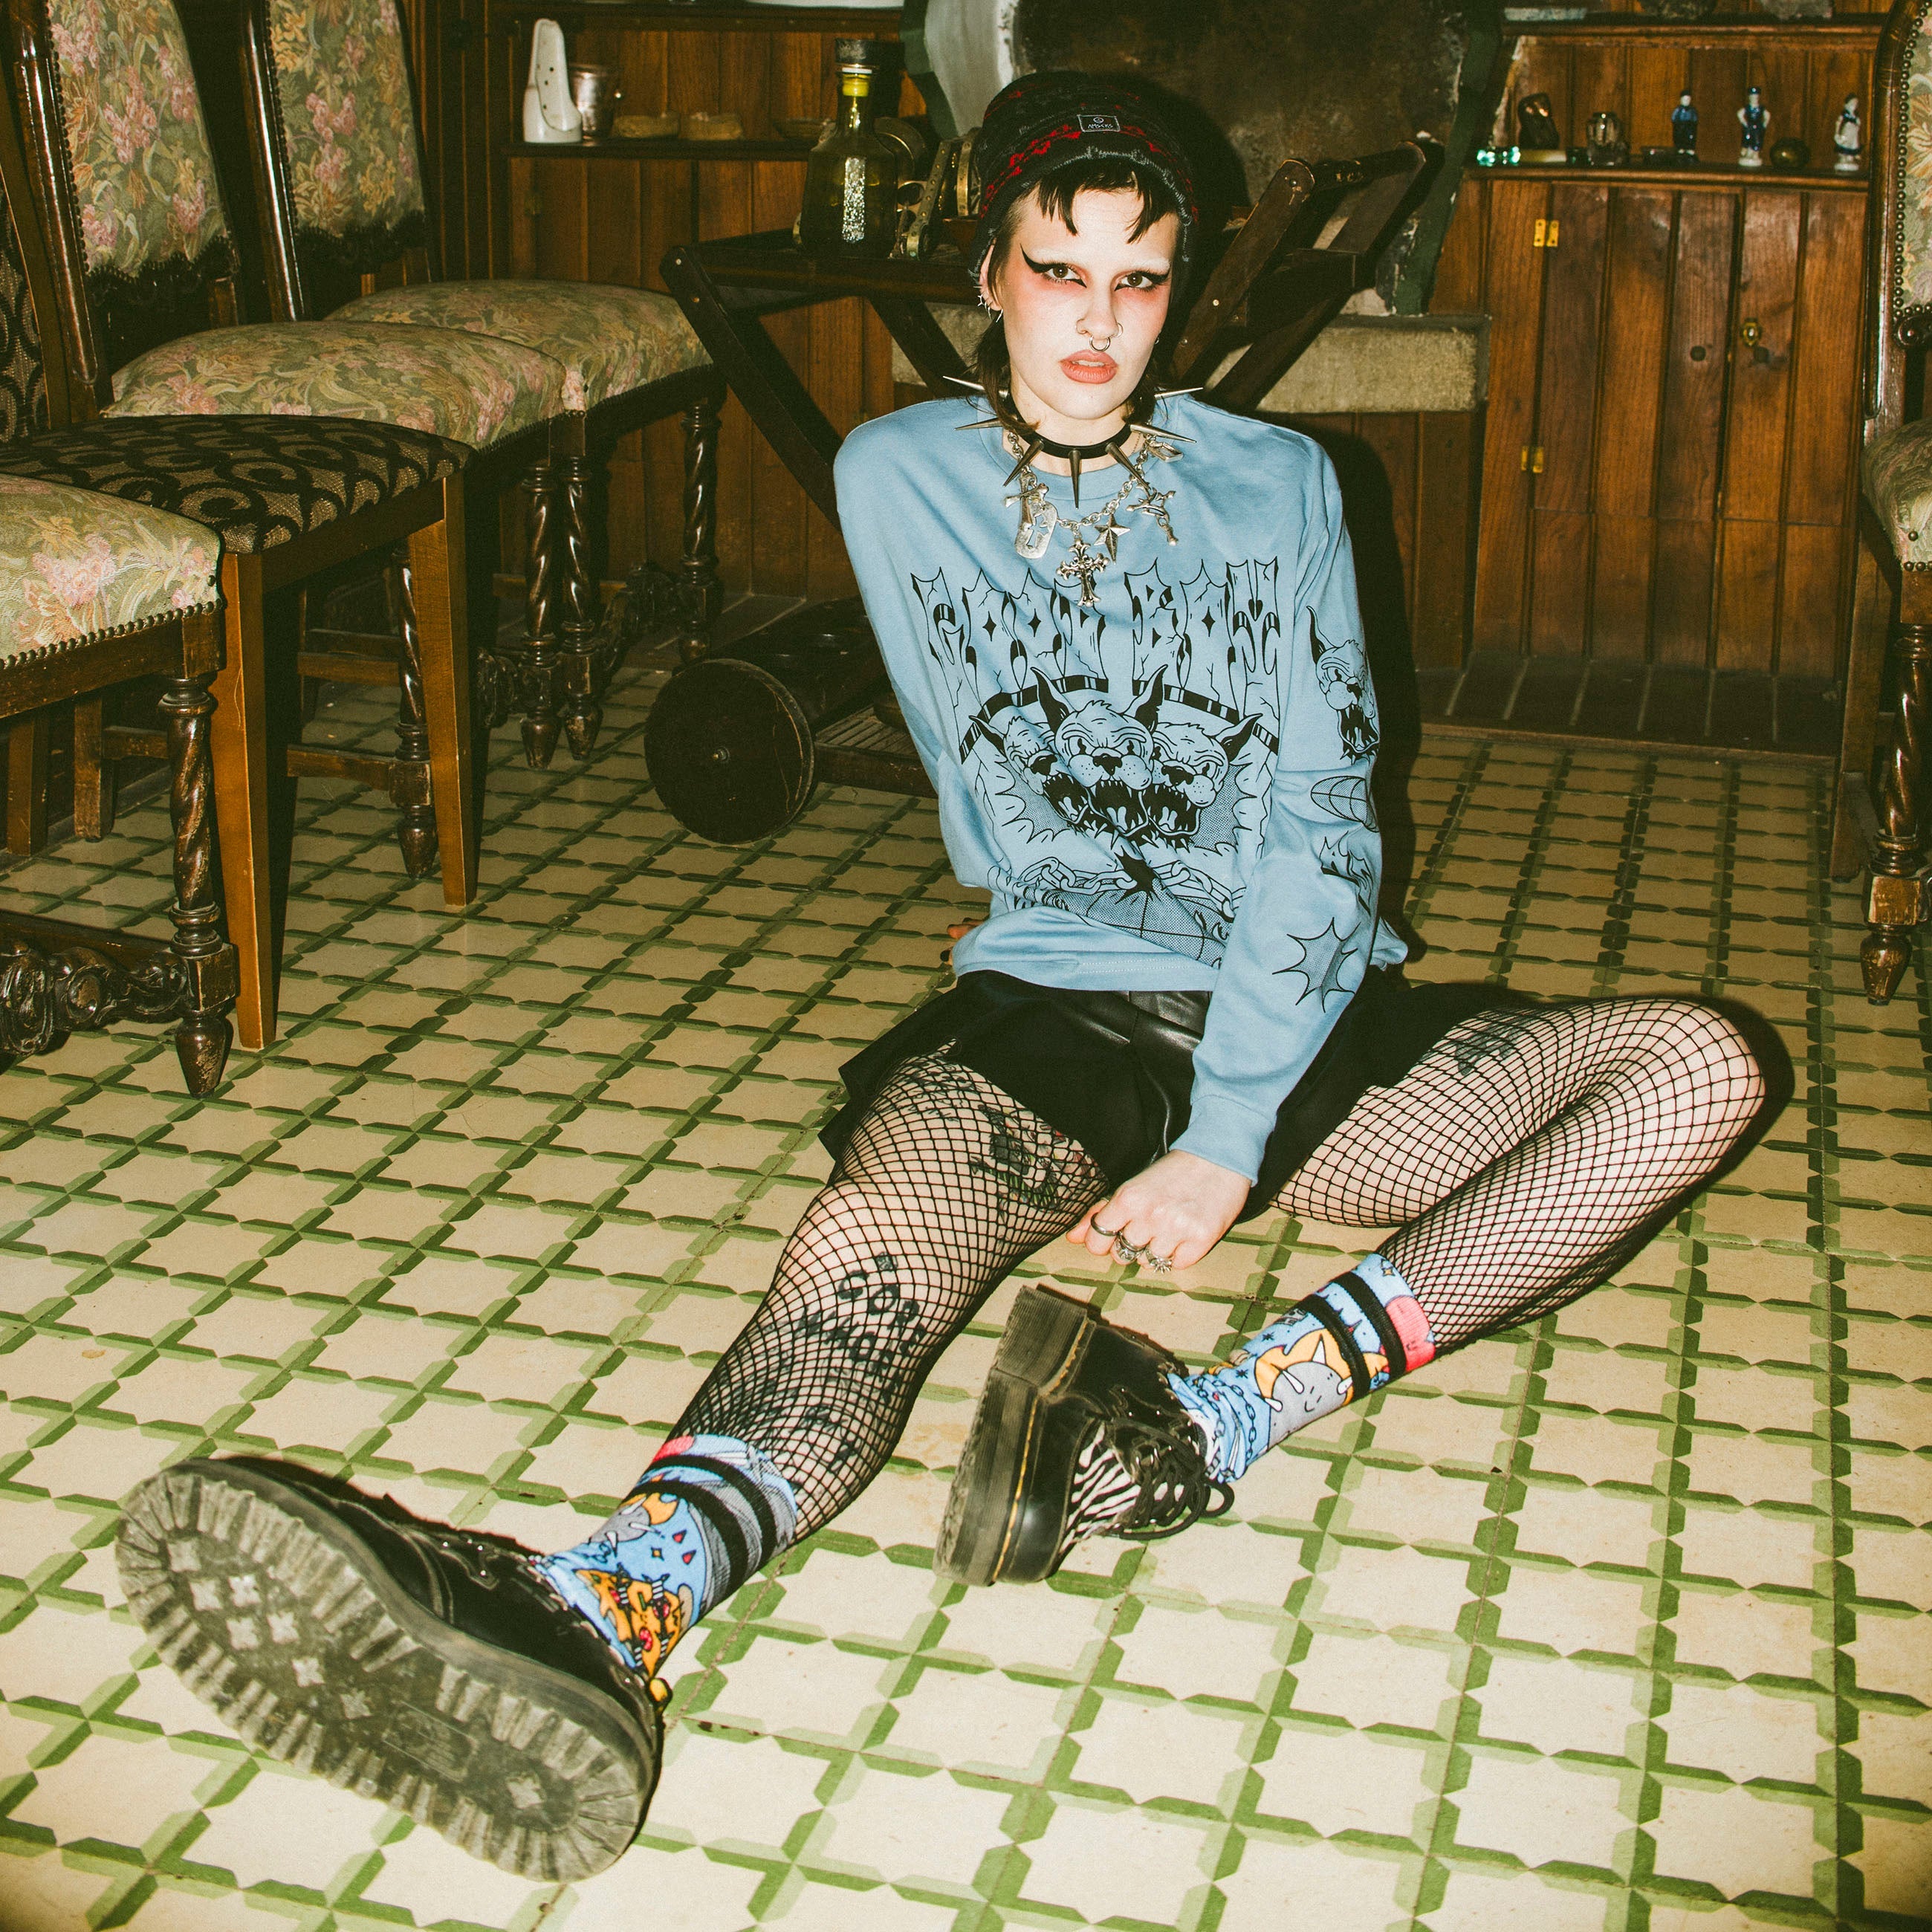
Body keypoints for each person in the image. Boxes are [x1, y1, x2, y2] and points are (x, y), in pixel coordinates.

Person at [115, 72, 1769, 1885]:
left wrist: (1225, 1135)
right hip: (1058, 1002)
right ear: (987, 273)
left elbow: (1324, 816)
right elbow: (987, 788)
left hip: (1299, 1006)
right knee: (863, 1254)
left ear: (1180, 291)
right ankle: (607, 1598)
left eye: (1139, 279)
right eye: (1058, 270)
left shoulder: (1285, 483)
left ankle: (1200, 1418)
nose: (1097, 323)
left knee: (1697, 1067)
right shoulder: (891, 477)